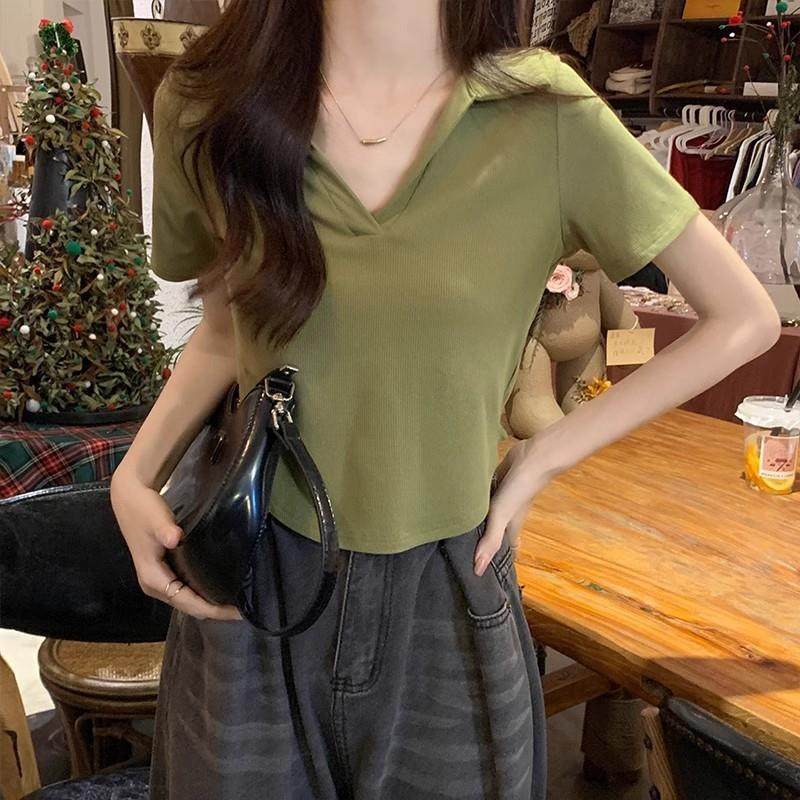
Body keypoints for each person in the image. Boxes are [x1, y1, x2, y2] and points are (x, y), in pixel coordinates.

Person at [109, 1, 782, 798]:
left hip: (450, 587)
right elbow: (227, 331)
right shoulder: (209, 101)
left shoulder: (543, 115)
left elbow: (743, 318)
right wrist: (135, 473)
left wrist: (543, 454)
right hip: (257, 575)